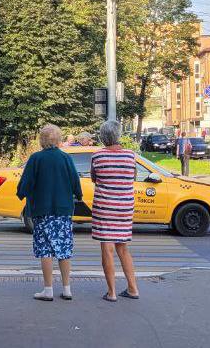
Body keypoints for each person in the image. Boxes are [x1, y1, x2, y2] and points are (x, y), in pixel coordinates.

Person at [17, 124, 83, 301]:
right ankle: (67, 288)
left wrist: (20, 193)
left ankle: (48, 290)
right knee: (63, 248)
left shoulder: (36, 159)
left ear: (42, 140)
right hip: (63, 211)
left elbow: (26, 182)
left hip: (42, 211)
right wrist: (79, 194)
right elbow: (75, 181)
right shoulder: (66, 158)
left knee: (45, 249)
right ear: (59, 140)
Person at [90, 120, 139, 302]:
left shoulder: (98, 156)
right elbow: (132, 177)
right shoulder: (130, 155)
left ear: (103, 137)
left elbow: (95, 178)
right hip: (125, 207)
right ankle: (133, 288)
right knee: (123, 248)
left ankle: (111, 293)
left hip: (105, 207)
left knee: (107, 249)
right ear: (118, 136)